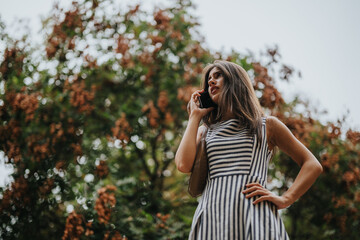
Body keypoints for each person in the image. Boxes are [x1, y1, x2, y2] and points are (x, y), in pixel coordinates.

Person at [174, 60, 323, 240]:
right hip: (211, 219)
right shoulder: (204, 131)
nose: (211, 82)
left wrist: (286, 199)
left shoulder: (267, 126)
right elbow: (183, 164)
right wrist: (194, 118)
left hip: (254, 216)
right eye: (209, 80)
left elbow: (312, 164)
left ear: (236, 82)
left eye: (218, 75)